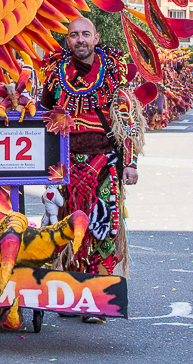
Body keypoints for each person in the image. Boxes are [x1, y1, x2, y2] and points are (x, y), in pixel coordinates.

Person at [39, 17, 141, 324]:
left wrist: (131, 163)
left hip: (103, 165)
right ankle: (72, 294)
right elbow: (42, 117)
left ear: (96, 38)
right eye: (74, 35)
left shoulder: (113, 72)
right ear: (67, 40)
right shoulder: (54, 75)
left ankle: (98, 299)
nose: (80, 39)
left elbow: (128, 123)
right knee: (65, 230)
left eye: (85, 34)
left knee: (102, 230)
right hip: (64, 166)